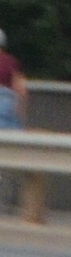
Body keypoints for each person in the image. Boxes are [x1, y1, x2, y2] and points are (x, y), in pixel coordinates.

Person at [0, 27, 23, 212]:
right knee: (7, 158)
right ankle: (5, 202)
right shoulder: (11, 62)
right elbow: (21, 89)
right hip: (7, 111)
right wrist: (20, 117)